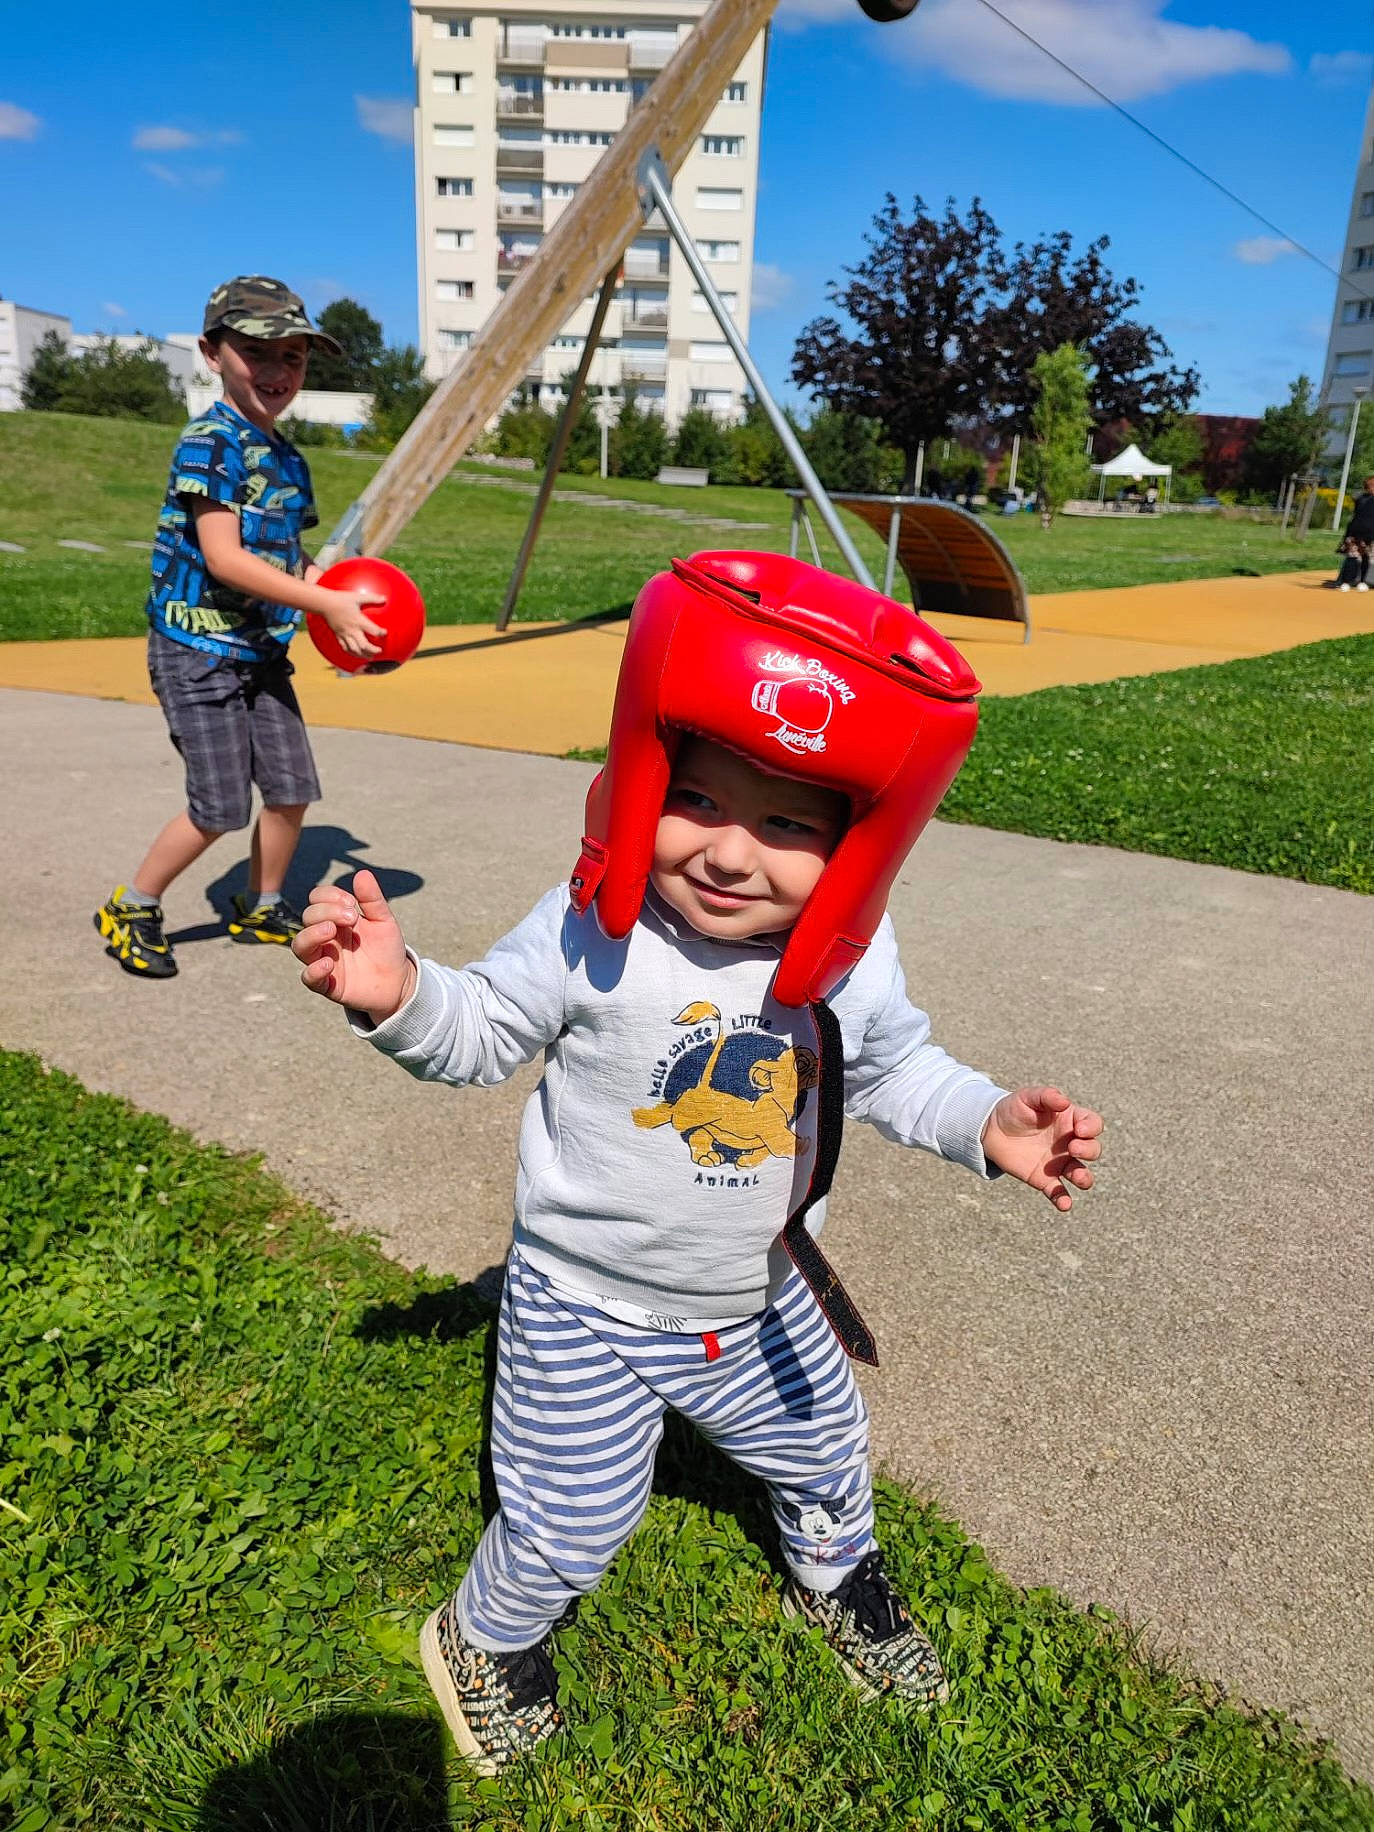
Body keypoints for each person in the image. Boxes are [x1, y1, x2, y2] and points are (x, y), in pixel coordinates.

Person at [293, 552, 1104, 1777]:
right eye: (702, 802)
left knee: (829, 1448)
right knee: (574, 1517)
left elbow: (890, 1070)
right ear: (642, 781)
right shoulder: (593, 921)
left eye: (786, 824)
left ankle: (839, 1576)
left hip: (758, 1295)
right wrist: (399, 992)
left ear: (855, 842)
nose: (731, 854)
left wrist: (992, 1123)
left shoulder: (852, 954)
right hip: (587, 1303)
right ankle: (486, 1634)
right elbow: (480, 1032)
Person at [93, 275, 386, 980]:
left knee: (290, 789)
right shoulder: (210, 442)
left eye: (294, 356)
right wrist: (324, 605)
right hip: (196, 651)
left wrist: (345, 600)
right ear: (211, 353)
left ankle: (259, 902)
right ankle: (132, 905)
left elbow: (291, 558)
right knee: (220, 806)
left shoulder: (288, 459)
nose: (279, 371)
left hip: (257, 653)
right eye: (259, 352)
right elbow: (225, 559)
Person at [1336, 475, 1374, 590]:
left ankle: (1362, 581)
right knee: (1352, 557)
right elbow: (1357, 516)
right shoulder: (1361, 499)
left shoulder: (1361, 498)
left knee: (1365, 557)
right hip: (1358, 532)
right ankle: (1347, 582)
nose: (1371, 488)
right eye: (1370, 486)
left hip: (1367, 533)